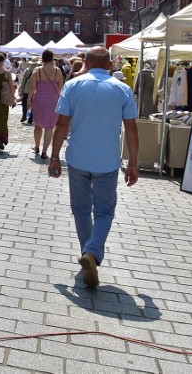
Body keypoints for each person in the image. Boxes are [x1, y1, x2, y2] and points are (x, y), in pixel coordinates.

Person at [48, 47, 138, 288]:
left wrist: (54, 156)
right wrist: (134, 163)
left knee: (80, 209)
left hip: (78, 157)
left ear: (85, 63)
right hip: (107, 160)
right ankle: (92, 253)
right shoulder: (122, 89)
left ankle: (88, 253)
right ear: (110, 64)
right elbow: (131, 128)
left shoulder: (73, 86)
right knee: (105, 211)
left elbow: (62, 123)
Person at [28, 49, 63, 159]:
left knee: (38, 125)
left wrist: (29, 100)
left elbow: (32, 87)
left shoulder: (37, 71)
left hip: (39, 100)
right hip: (53, 100)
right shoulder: (58, 71)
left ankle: (37, 146)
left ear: (42, 58)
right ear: (52, 58)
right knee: (50, 127)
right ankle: (44, 151)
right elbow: (61, 88)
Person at [18, 56, 39, 123]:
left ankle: (24, 115)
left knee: (24, 103)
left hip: (26, 89)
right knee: (34, 104)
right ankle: (31, 118)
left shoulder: (27, 70)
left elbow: (23, 80)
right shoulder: (38, 70)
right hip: (35, 90)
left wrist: (21, 90)